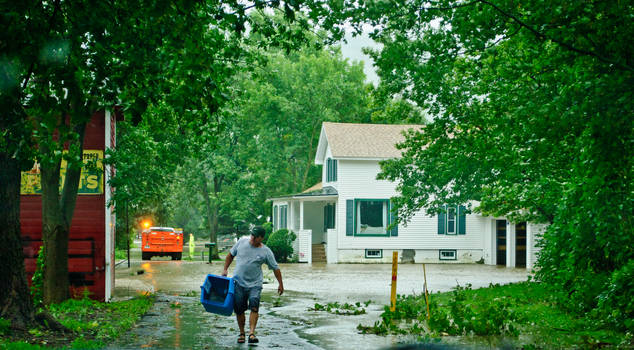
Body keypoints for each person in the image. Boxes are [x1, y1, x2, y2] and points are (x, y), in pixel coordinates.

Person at [222, 226, 283, 344]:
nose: (252, 238)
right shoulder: (241, 242)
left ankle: (251, 333)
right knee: (239, 309)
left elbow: (275, 268)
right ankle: (242, 333)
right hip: (238, 282)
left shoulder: (266, 251)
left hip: (255, 284)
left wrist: (280, 284)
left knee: (254, 306)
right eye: (252, 235)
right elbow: (230, 255)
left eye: (255, 237)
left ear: (261, 238)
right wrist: (225, 269)